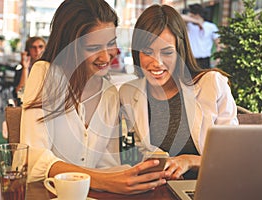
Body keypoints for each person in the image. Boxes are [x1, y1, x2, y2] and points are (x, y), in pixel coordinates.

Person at [20, 0, 167, 194]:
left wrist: (147, 173)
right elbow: (33, 157)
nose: (106, 57)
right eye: (93, 47)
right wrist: (102, 180)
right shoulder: (45, 74)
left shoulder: (110, 94)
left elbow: (108, 165)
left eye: (111, 44)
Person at [119, 4, 238, 180]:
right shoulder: (128, 93)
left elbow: (232, 156)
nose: (156, 62)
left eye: (167, 52)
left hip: (208, 188)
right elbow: (130, 155)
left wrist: (189, 161)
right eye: (147, 52)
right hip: (157, 190)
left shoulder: (212, 84)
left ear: (180, 51)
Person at [181, 4, 220, 69]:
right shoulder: (189, 25)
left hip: (205, 60)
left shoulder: (211, 26)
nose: (189, 16)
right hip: (191, 59)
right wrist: (197, 22)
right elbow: (180, 17)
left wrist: (218, 60)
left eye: (190, 14)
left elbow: (218, 44)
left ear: (196, 14)